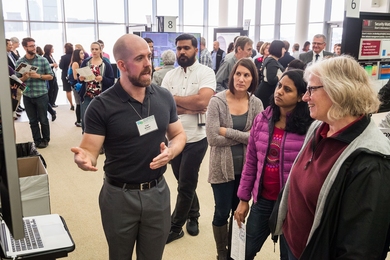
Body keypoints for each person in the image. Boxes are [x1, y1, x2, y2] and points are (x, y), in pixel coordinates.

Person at [71, 33, 186, 260]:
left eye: (149, 57)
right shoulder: (101, 105)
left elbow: (179, 134)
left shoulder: (164, 97)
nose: (148, 65)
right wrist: (83, 158)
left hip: (158, 193)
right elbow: (90, 150)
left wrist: (172, 150)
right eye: (140, 58)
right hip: (119, 197)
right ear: (121, 65)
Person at [271, 55, 390, 260]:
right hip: (293, 243)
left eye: (311, 90)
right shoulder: (320, 126)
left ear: (338, 90)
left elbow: (360, 249)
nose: (305, 97)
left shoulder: (371, 162)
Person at [234, 69, 313, 260]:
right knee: (243, 251)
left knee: (291, 255)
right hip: (263, 200)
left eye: (287, 90)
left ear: (301, 96)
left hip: (293, 206)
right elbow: (251, 162)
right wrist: (244, 199)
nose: (279, 91)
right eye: (279, 86)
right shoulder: (262, 119)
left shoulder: (311, 126)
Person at [161, 33, 216, 243]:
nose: (182, 52)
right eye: (179, 48)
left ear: (196, 50)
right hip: (173, 138)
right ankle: (194, 214)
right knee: (183, 181)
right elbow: (163, 105)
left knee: (185, 183)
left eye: (186, 48)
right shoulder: (170, 76)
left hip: (196, 138)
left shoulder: (206, 73)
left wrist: (175, 103)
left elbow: (203, 101)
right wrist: (188, 106)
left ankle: (175, 227)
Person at [206, 58, 263, 259]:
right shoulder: (217, 101)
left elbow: (259, 138)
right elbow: (213, 138)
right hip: (221, 169)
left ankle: (234, 252)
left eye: (246, 75)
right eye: (238, 74)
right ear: (232, 76)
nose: (241, 79)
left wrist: (227, 131)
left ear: (252, 79)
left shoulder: (256, 103)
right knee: (222, 212)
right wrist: (245, 138)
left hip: (247, 171)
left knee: (238, 213)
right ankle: (222, 253)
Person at [15, 37, 54, 149]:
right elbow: (16, 80)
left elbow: (51, 76)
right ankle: (37, 140)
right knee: (32, 121)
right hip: (27, 95)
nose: (34, 47)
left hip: (41, 94)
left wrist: (39, 76)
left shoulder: (42, 60)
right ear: (25, 47)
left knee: (43, 119)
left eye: (34, 45)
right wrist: (24, 77)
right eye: (31, 46)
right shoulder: (20, 62)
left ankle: (46, 139)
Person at [78, 41, 115, 132]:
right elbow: (79, 79)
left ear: (100, 50)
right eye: (92, 49)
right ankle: (85, 136)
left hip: (101, 96)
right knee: (85, 118)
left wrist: (102, 79)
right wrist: (81, 78)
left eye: (96, 49)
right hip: (87, 94)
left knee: (101, 118)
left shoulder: (105, 63)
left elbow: (111, 81)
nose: (94, 51)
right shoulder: (86, 62)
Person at [255, 40, 285, 108]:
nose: (284, 51)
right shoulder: (272, 61)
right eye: (283, 48)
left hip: (266, 91)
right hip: (266, 93)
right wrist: (281, 75)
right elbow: (271, 80)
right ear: (278, 49)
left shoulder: (271, 60)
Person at [68, 49, 85, 127]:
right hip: (76, 85)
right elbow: (75, 77)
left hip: (79, 84)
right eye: (81, 53)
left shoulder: (80, 62)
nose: (83, 54)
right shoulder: (75, 63)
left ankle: (80, 119)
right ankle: (78, 121)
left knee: (80, 102)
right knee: (78, 103)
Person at [59, 43, 75, 110]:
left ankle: (71, 105)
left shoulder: (63, 57)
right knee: (76, 89)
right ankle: (78, 103)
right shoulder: (74, 56)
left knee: (68, 91)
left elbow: (61, 67)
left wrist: (60, 62)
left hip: (65, 75)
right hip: (73, 74)